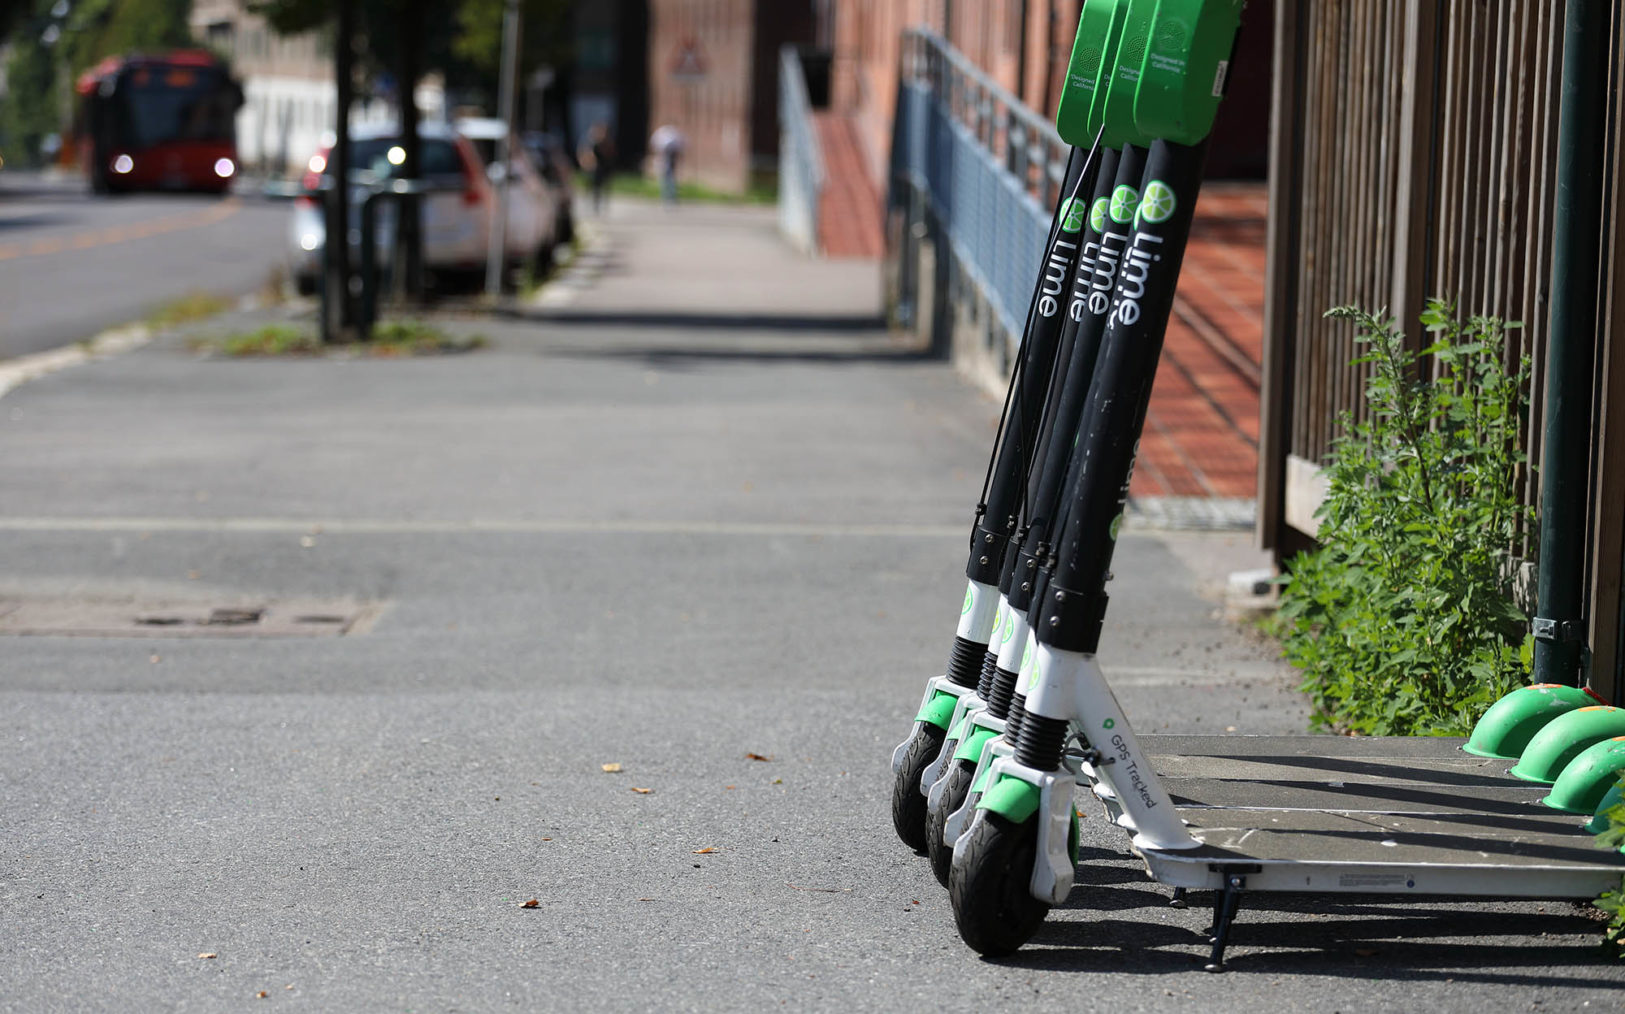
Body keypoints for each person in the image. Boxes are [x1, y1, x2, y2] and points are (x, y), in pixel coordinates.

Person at [578, 122, 615, 214]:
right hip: (594, 169)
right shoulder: (591, 143)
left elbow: (611, 155)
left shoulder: (606, 142)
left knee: (603, 187)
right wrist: (587, 164)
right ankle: (593, 203)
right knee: (593, 187)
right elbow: (585, 154)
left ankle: (600, 204)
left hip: (604, 168)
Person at [648, 124, 685, 205]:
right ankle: (667, 197)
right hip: (665, 161)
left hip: (669, 162)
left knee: (669, 179)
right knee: (666, 180)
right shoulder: (664, 135)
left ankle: (670, 197)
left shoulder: (671, 136)